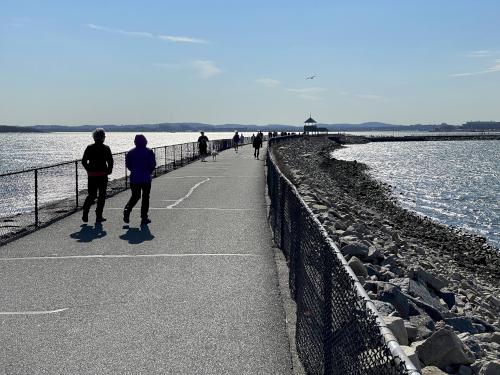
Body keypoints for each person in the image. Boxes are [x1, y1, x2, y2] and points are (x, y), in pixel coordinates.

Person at [81, 128, 114, 223]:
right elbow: (110, 161)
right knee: (102, 196)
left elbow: (84, 161)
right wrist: (109, 170)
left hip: (92, 175)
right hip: (102, 175)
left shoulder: (89, 147)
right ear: (103, 137)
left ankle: (85, 212)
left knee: (91, 195)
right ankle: (98, 215)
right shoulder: (106, 148)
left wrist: (88, 169)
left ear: (94, 137)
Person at [123, 134, 156, 225]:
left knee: (135, 196)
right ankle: (144, 217)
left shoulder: (130, 152)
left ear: (135, 142)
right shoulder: (149, 152)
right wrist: (149, 172)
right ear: (145, 141)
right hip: (145, 177)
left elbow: (128, 165)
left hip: (134, 177)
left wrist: (134, 170)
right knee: (145, 197)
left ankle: (127, 209)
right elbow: (153, 164)